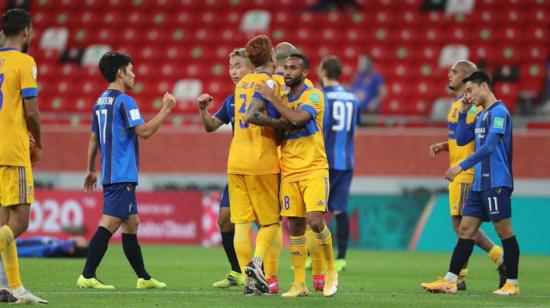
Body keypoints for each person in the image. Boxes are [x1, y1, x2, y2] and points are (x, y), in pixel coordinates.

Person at [76, 51, 176, 290]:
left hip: (111, 173)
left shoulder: (100, 101)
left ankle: (143, 277)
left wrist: (91, 169)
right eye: (130, 69)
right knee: (110, 223)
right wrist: (166, 109)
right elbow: (144, 132)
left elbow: (93, 138)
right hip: (122, 174)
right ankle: (87, 275)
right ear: (120, 72)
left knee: (132, 224)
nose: (134, 74)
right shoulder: (124, 101)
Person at [421, 70, 520, 296]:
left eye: (470, 90)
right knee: (465, 230)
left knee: (504, 231)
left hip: (496, 181)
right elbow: (463, 138)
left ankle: (512, 283)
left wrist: (461, 166)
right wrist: (465, 111)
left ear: (483, 86)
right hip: (479, 183)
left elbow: (490, 147)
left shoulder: (499, 112)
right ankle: (450, 280)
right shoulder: (480, 113)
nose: (468, 95)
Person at [257, 53, 339, 297]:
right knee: (294, 227)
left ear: (305, 73)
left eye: (293, 68)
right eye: (285, 68)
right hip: (289, 170)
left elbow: (298, 118)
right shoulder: (281, 97)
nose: (287, 72)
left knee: (315, 221)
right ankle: (299, 284)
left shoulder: (313, 95)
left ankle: (331, 272)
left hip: (314, 168)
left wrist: (272, 99)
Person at [227, 35, 288, 295]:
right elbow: (269, 115)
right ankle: (257, 265)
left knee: (241, 223)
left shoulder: (241, 85)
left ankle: (248, 281)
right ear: (272, 58)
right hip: (261, 160)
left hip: (235, 160)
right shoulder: (270, 82)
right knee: (270, 223)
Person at [0, 8, 47, 304]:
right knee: (21, 222)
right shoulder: (25, 62)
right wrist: (38, 142)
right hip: (14, 150)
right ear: (27, 31)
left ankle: (13, 288)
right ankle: (14, 287)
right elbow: (32, 111)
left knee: (4, 220)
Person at [197, 48, 253, 289]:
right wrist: (203, 109)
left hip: (264, 168)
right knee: (224, 220)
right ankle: (238, 271)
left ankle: (280, 272)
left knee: (273, 223)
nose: (233, 71)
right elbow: (211, 126)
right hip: (238, 168)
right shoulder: (231, 100)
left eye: (238, 65)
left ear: (251, 67)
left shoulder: (264, 94)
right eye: (231, 67)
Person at [319, 56, 359, 273]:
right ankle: (341, 258)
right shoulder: (353, 98)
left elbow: (320, 128)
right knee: (340, 210)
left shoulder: (322, 96)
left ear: (324, 72)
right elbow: (355, 129)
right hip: (347, 161)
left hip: (324, 161)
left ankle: (310, 257)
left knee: (314, 209)